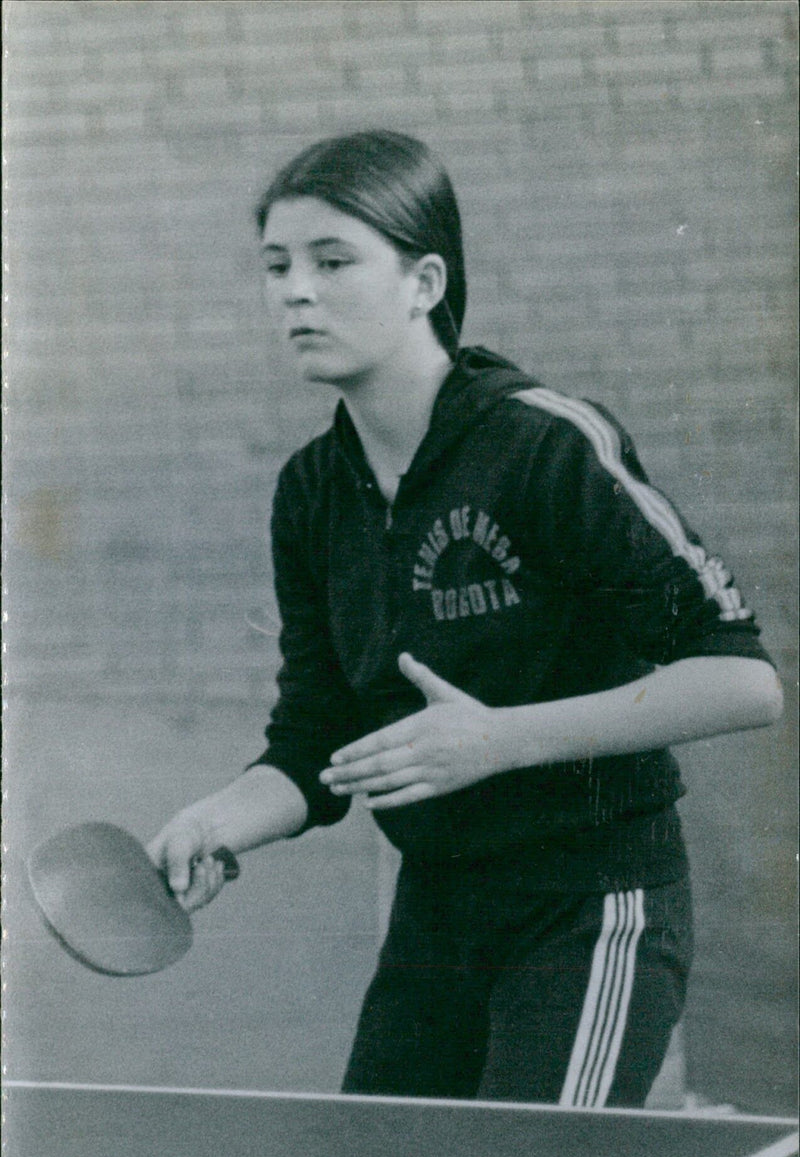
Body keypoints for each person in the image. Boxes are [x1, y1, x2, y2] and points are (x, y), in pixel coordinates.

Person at [148, 130, 782, 1107]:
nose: (295, 293)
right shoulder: (312, 493)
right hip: (439, 914)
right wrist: (216, 820)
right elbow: (317, 736)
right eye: (276, 267)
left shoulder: (541, 445)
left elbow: (741, 680)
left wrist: (496, 740)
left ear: (424, 280)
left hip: (590, 902)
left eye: (332, 261)